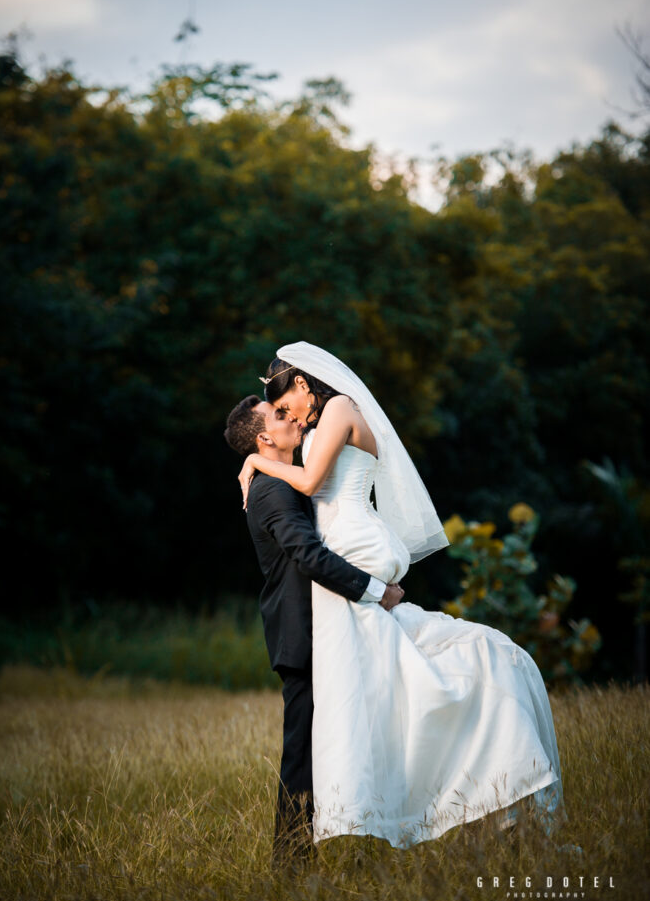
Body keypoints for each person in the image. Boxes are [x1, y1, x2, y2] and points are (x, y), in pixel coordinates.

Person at [237, 341, 565, 849]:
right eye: (278, 416)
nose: (290, 418)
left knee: (395, 686)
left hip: (350, 559)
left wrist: (259, 462)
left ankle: (393, 806)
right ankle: (349, 823)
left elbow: (308, 482)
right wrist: (259, 462)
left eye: (286, 406)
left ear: (302, 385)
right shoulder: (314, 432)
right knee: (369, 694)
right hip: (338, 573)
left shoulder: (340, 407)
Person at [223, 393, 404, 864]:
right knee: (301, 755)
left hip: (324, 628)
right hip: (302, 634)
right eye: (278, 416)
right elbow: (308, 555)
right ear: (265, 438)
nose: (290, 418)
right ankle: (290, 865)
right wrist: (374, 590)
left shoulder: (281, 481)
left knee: (324, 744)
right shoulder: (273, 491)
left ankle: (347, 841)